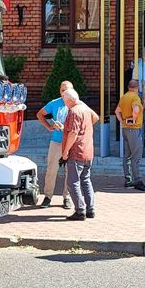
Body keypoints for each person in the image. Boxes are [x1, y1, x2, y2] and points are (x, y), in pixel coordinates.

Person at [35, 80, 73, 210]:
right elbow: (40, 114)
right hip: (56, 141)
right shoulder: (54, 103)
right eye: (62, 90)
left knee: (70, 171)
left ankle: (67, 197)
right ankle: (48, 196)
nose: (64, 93)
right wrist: (49, 126)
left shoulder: (75, 103)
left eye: (67, 90)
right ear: (59, 91)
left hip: (70, 142)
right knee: (52, 169)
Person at [60, 88, 97, 220]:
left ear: (70, 100)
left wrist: (65, 152)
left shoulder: (75, 111)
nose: (63, 100)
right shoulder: (85, 108)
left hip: (77, 152)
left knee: (72, 182)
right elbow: (96, 117)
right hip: (88, 150)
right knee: (86, 180)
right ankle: (90, 209)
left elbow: (73, 133)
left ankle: (80, 211)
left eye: (64, 98)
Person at [115, 78, 145, 191]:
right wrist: (133, 118)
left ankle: (128, 179)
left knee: (127, 155)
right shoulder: (135, 97)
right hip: (134, 129)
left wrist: (123, 121)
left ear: (128, 87)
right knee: (136, 156)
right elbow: (136, 109)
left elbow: (117, 111)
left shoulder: (124, 96)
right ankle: (137, 180)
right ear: (137, 87)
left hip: (125, 129)